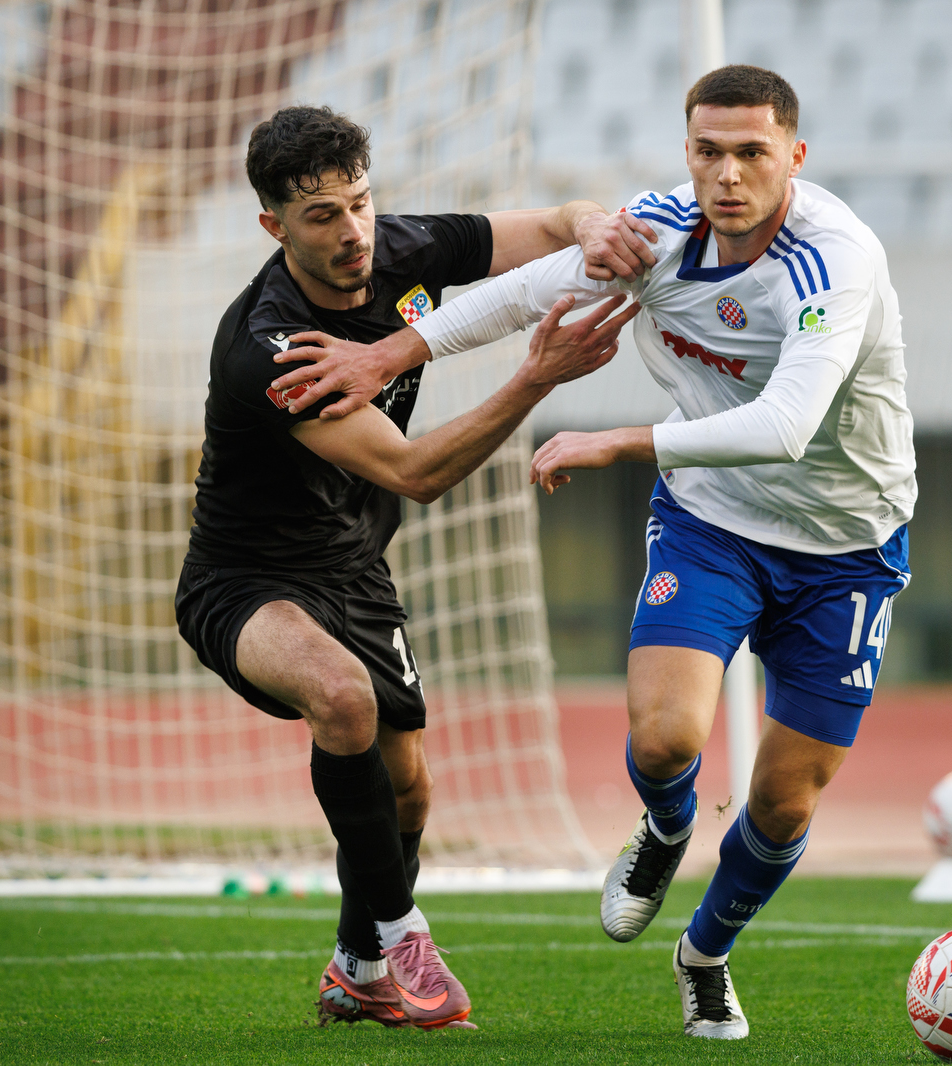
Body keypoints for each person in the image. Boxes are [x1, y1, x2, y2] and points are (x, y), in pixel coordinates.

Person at [269, 66, 915, 1039]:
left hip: (846, 545)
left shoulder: (835, 262)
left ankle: (704, 953)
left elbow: (786, 424)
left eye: (751, 152)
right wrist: (386, 356)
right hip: (713, 520)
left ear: (795, 155)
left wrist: (619, 442)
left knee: (782, 804)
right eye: (708, 151)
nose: (727, 174)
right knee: (663, 742)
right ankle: (664, 826)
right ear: (686, 151)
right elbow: (524, 294)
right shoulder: (654, 231)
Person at [174, 104, 646, 1031]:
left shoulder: (402, 249)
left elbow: (553, 225)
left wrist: (591, 223)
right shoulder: (271, 345)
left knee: (411, 789)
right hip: (245, 579)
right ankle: (401, 933)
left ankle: (355, 966)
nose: (352, 232)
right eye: (321, 217)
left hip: (355, 570)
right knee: (341, 698)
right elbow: (415, 473)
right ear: (273, 226)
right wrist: (536, 376)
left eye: (358, 202)